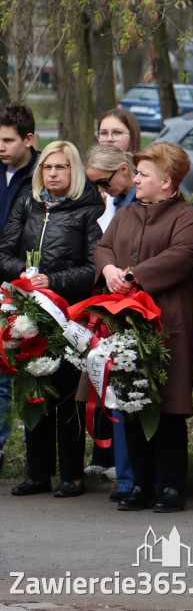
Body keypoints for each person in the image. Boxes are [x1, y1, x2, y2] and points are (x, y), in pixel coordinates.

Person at [93, 143, 193, 513]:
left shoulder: (187, 217)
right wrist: (109, 269)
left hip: (167, 323)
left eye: (143, 174)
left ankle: (171, 485)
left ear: (166, 181)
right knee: (131, 398)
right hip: (127, 321)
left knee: (168, 406)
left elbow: (182, 255)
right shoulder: (127, 213)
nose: (136, 180)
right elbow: (103, 246)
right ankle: (140, 483)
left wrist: (134, 275)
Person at [1, 141, 103, 497]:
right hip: (29, 311)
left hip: (70, 313)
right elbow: (4, 252)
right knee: (35, 391)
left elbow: (93, 267)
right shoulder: (27, 202)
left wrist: (53, 281)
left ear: (74, 171)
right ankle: (38, 474)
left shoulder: (90, 209)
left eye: (61, 167)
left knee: (66, 394)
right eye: (47, 167)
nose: (53, 173)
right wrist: (25, 274)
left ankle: (72, 475)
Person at [82, 143, 140, 500]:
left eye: (103, 182)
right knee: (114, 389)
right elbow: (102, 246)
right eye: (95, 185)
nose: (101, 190)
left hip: (135, 300)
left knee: (131, 388)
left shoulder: (137, 200)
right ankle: (125, 472)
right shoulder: (114, 202)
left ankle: (135, 473)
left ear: (123, 169)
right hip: (112, 300)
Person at [0, 103, 41, 472]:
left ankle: (37, 459)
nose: (1, 147)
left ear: (28, 140)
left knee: (32, 371)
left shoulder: (44, 173)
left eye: (8, 140)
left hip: (28, 281)